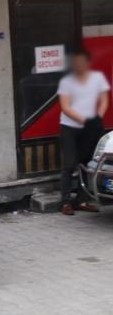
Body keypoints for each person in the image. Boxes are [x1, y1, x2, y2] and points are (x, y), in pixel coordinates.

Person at [57, 49, 110, 216]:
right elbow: (65, 107)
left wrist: (97, 118)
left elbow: (104, 99)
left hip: (89, 128)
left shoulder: (97, 78)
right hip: (70, 127)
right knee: (69, 164)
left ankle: (82, 200)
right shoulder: (67, 82)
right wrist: (84, 120)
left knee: (88, 163)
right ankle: (65, 202)